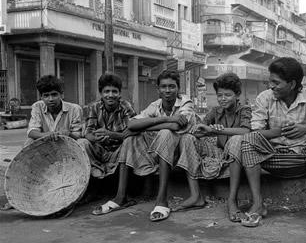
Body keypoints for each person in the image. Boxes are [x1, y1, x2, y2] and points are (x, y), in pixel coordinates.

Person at [229, 57, 306, 228]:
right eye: (270, 82)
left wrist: (305, 129)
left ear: (292, 84)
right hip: (273, 157)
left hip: (305, 155)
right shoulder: (264, 98)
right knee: (248, 139)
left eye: (276, 82)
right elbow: (256, 132)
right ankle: (258, 204)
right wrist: (279, 132)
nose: (271, 86)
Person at [92, 70, 196, 222]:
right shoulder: (155, 105)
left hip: (182, 153)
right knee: (129, 140)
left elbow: (175, 126)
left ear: (178, 88)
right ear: (158, 89)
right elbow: (132, 124)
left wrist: (150, 125)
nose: (167, 91)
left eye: (172, 87)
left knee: (166, 132)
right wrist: (161, 121)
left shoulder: (186, 102)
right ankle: (121, 196)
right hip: (161, 151)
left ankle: (162, 200)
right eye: (163, 87)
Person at [1, 75, 83, 211]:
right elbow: (32, 131)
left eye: (54, 94)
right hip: (45, 149)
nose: (50, 99)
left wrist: (68, 134)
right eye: (46, 95)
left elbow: (79, 134)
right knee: (28, 142)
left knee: (84, 142)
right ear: (41, 97)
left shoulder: (75, 109)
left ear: (62, 94)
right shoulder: (37, 107)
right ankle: (17, 196)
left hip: (67, 149)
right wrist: (48, 135)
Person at [174, 73, 251, 215]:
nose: (222, 99)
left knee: (236, 140)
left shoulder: (244, 110)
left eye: (227, 95)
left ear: (237, 94)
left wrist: (221, 131)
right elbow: (199, 129)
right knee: (187, 138)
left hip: (237, 156)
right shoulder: (216, 111)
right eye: (219, 95)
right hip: (219, 153)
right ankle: (195, 195)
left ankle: (232, 200)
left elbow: (246, 130)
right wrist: (204, 131)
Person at [77, 73, 136, 179]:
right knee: (82, 143)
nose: (110, 95)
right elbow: (88, 133)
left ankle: (113, 172)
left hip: (119, 151)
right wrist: (96, 137)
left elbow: (132, 132)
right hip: (100, 149)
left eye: (114, 91)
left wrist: (111, 134)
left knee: (131, 141)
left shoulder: (125, 106)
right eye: (106, 91)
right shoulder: (94, 107)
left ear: (119, 93)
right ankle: (96, 169)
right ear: (101, 93)